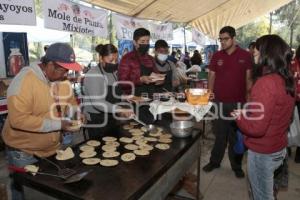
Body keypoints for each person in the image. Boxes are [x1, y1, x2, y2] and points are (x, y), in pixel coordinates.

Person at [2, 42, 82, 200]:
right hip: (24, 151)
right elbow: (18, 120)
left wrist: (77, 114)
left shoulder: (63, 80)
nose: (66, 74)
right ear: (50, 65)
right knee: (24, 189)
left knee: (46, 190)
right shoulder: (25, 81)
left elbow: (71, 103)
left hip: (52, 148)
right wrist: (58, 124)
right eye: (63, 69)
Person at [231, 34, 295, 200]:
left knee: (261, 196)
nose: (253, 55)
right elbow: (277, 114)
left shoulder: (266, 82)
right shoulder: (285, 79)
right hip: (278, 147)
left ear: (267, 55)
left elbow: (257, 128)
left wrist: (240, 117)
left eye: (256, 52)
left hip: (263, 152)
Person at [202, 26, 252, 178]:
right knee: (219, 135)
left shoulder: (245, 55)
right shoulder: (217, 56)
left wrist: (248, 103)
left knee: (235, 137)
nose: (222, 42)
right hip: (218, 103)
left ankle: (236, 166)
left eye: (226, 39)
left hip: (238, 104)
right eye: (220, 39)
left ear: (234, 38)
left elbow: (248, 79)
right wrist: (210, 95)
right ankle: (214, 161)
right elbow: (211, 75)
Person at [83, 44, 134, 139]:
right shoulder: (93, 74)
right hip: (97, 119)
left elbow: (112, 93)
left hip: (111, 116)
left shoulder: (113, 73)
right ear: (101, 58)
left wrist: (125, 97)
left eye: (116, 60)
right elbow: (98, 103)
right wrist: (120, 109)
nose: (114, 63)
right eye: (111, 60)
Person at [118, 28, 162, 96]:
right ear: (135, 42)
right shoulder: (127, 58)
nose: (146, 44)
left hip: (151, 97)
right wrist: (140, 80)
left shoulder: (151, 59)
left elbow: (156, 74)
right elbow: (122, 83)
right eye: (142, 41)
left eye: (147, 41)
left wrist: (160, 79)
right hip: (134, 99)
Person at [290, 45, 300, 163]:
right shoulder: (292, 63)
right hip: (292, 97)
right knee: (288, 123)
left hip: (291, 96)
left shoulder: (292, 63)